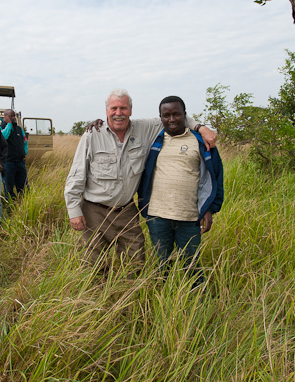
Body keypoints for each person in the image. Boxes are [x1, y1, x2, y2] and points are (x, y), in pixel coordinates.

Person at [64, 88, 216, 273]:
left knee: (134, 260)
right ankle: (98, 299)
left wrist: (201, 128)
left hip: (127, 210)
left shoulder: (144, 128)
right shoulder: (92, 135)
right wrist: (74, 211)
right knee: (94, 264)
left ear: (131, 110)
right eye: (114, 108)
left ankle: (128, 295)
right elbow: (76, 175)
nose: (118, 113)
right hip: (95, 210)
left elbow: (174, 117)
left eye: (123, 108)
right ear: (106, 111)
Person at [137, 96, 223, 286]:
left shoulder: (201, 142)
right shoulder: (153, 140)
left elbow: (215, 176)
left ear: (185, 115)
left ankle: (199, 302)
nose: (172, 119)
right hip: (157, 216)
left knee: (191, 264)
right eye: (166, 115)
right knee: (162, 264)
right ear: (160, 117)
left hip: (190, 217)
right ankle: (164, 300)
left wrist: (210, 209)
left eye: (176, 114)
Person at [0, 109, 28, 200]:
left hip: (20, 162)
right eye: (10, 116)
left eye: (13, 116)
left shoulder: (19, 129)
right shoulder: (0, 128)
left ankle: (23, 206)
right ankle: (10, 208)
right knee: (8, 187)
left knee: (24, 187)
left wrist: (24, 152)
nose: (13, 118)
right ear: (5, 117)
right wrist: (9, 125)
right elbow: (3, 138)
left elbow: (25, 142)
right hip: (8, 163)